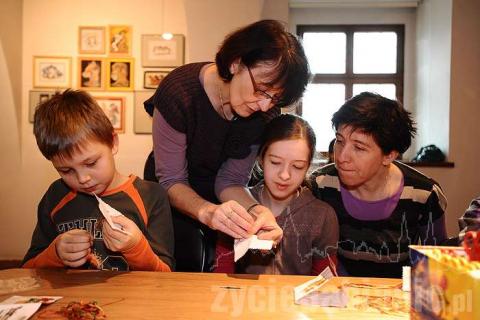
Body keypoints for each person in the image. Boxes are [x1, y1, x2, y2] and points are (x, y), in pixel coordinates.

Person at [144, 20, 310, 270]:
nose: (265, 106)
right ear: (235, 63)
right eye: (262, 90)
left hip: (218, 199)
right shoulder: (179, 93)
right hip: (170, 198)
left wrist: (256, 210)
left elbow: (230, 180)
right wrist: (207, 212)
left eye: (275, 98)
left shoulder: (265, 112)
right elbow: (170, 179)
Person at [22, 90, 174, 271]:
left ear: (113, 142)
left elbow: (166, 275)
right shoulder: (56, 195)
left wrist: (136, 248)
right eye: (66, 170)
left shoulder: (151, 196)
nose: (83, 179)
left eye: (91, 163)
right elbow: (27, 270)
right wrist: (54, 254)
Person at [310, 92, 447, 278]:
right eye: (340, 141)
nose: (341, 157)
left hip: (397, 301)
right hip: (338, 298)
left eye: (359, 147)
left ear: (389, 155)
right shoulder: (321, 186)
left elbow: (436, 264)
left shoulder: (423, 194)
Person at [214, 114, 338, 275]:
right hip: (243, 298)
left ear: (308, 167)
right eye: (275, 162)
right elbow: (221, 273)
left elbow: (325, 281)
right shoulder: (236, 205)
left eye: (297, 166)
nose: (285, 175)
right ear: (260, 158)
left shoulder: (322, 216)